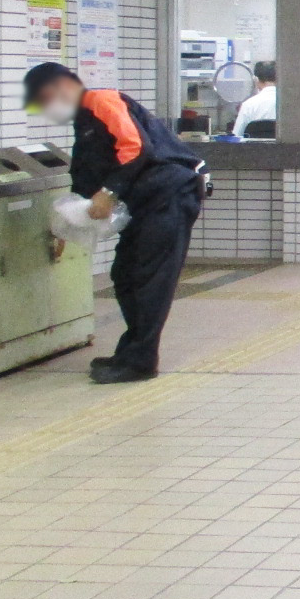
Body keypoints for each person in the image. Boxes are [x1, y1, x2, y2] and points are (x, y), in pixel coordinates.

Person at [24, 61, 206, 383]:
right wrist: (68, 226)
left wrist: (111, 191)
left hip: (170, 194)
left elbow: (135, 147)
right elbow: (86, 175)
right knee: (124, 273)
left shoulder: (101, 100)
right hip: (146, 202)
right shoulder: (83, 121)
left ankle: (140, 361)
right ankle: (132, 352)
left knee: (148, 278)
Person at [231, 59, 277, 137]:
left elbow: (237, 136)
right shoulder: (290, 102)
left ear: (256, 79)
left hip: (255, 149)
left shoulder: (248, 105)